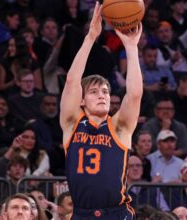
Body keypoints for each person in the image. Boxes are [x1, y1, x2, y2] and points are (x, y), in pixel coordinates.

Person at [59, 2, 143, 219]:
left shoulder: (119, 127)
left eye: (105, 92)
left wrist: (132, 49)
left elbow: (134, 95)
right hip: (82, 213)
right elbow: (71, 82)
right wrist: (90, 38)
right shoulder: (71, 123)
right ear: (82, 101)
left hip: (117, 212)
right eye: (94, 92)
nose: (102, 95)